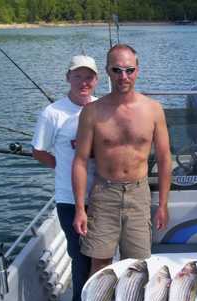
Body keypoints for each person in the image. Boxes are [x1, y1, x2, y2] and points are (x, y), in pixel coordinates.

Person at [72, 44, 172, 276]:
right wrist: (79, 208)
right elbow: (80, 161)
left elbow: (165, 159)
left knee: (136, 267)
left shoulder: (154, 109)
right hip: (104, 194)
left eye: (129, 70)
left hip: (139, 194)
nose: (123, 76)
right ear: (107, 71)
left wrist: (163, 205)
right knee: (99, 265)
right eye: (117, 70)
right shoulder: (92, 111)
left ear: (138, 70)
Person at [31, 55, 99, 301]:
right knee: (81, 256)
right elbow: (38, 151)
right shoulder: (53, 113)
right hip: (70, 200)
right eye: (78, 76)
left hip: (103, 196)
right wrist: (66, 169)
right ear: (67, 78)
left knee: (103, 255)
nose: (83, 82)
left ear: (96, 80)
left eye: (89, 77)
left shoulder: (102, 108)